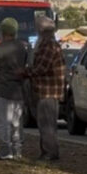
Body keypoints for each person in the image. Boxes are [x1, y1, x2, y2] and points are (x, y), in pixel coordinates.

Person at [0, 17, 28, 160]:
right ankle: (17, 150)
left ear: (3, 32)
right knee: (17, 121)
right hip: (18, 90)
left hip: (3, 88)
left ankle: (5, 149)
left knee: (3, 121)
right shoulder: (22, 47)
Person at [26, 15, 65, 162]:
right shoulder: (49, 44)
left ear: (42, 30)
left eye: (37, 28)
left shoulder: (48, 45)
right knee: (46, 124)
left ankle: (50, 153)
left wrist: (25, 72)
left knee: (47, 124)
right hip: (47, 90)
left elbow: (41, 68)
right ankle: (47, 152)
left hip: (48, 91)